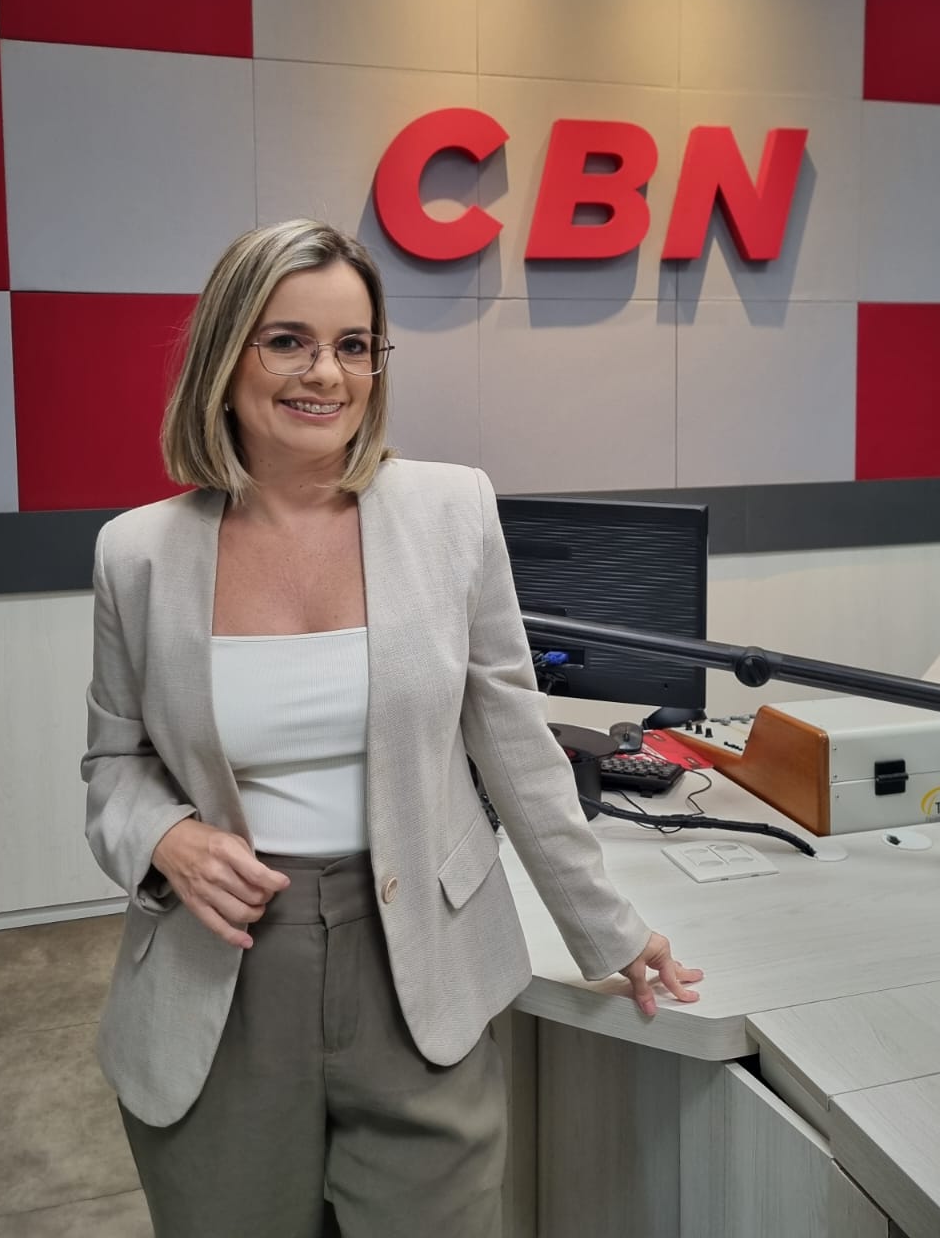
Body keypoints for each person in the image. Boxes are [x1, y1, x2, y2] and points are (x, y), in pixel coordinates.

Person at [82, 217, 702, 1238]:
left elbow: (516, 746)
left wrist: (609, 929)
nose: (325, 373)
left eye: (354, 344)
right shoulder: (137, 555)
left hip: (421, 964)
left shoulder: (452, 511)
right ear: (226, 355)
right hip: (219, 972)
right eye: (288, 341)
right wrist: (166, 838)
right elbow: (114, 765)